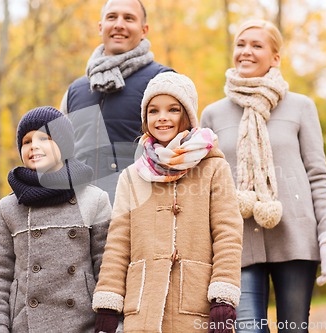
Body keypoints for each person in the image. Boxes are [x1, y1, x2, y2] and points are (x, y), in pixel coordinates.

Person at [200, 19, 326, 333]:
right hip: (238, 242)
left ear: (275, 57)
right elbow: (208, 185)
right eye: (241, 44)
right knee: (249, 329)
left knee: (293, 329)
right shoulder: (213, 114)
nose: (246, 51)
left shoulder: (301, 107)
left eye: (256, 45)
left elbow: (318, 175)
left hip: (295, 238)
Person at [91, 72, 244, 333]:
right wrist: (108, 302)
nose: (162, 117)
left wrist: (223, 296)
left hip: (194, 305)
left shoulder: (213, 168)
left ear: (188, 115)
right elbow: (118, 243)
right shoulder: (132, 176)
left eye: (173, 109)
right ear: (145, 118)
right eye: (153, 110)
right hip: (143, 307)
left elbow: (228, 233)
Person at [0, 106, 112, 333]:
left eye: (45, 138)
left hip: (84, 324)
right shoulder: (9, 207)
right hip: (25, 326)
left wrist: (109, 323)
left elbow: (106, 268)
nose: (34, 146)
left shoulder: (94, 199)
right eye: (27, 141)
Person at [59, 0, 173, 205]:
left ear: (144, 30)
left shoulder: (162, 80)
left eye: (129, 18)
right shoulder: (75, 90)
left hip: (140, 212)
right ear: (100, 27)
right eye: (112, 17)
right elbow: (61, 158)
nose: (119, 24)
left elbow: (181, 151)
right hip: (81, 217)